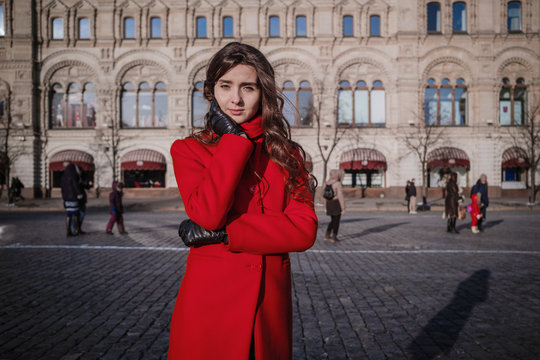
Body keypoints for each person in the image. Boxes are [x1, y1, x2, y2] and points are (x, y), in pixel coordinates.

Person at [169, 42, 318, 360]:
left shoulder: (289, 155)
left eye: (247, 87)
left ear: (262, 91)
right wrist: (235, 142)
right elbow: (208, 215)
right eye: (225, 86)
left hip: (268, 307)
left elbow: (304, 230)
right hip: (210, 306)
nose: (235, 99)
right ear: (211, 91)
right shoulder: (189, 150)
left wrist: (227, 234)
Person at [60, 164, 82, 236]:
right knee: (76, 214)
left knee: (68, 214)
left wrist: (64, 198)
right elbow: (75, 185)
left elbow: (62, 189)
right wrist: (79, 193)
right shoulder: (73, 176)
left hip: (66, 199)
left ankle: (68, 231)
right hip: (73, 197)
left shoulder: (63, 177)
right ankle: (77, 230)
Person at [324, 169, 345, 243]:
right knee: (336, 221)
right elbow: (340, 196)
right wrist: (343, 208)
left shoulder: (327, 183)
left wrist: (325, 206)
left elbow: (324, 197)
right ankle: (334, 237)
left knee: (332, 220)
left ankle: (327, 235)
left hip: (329, 203)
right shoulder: (337, 183)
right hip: (336, 203)